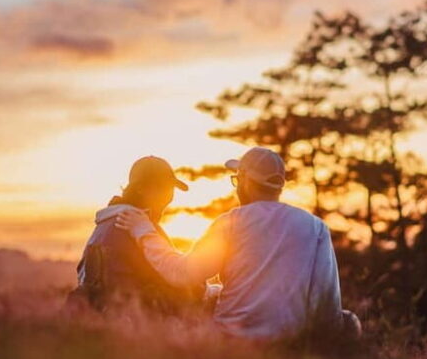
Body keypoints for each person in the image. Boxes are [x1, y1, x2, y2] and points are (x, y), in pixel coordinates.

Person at [116, 147, 361, 343]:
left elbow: (182, 274)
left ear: (244, 180)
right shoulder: (316, 227)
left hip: (229, 340)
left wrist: (143, 230)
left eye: (236, 179)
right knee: (350, 321)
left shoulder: (230, 223)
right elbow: (327, 307)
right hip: (292, 341)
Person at [68, 156, 198, 313]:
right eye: (162, 188)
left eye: (171, 189)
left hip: (101, 317)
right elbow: (175, 279)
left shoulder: (102, 226)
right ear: (140, 188)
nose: (168, 196)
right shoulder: (140, 228)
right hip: (136, 318)